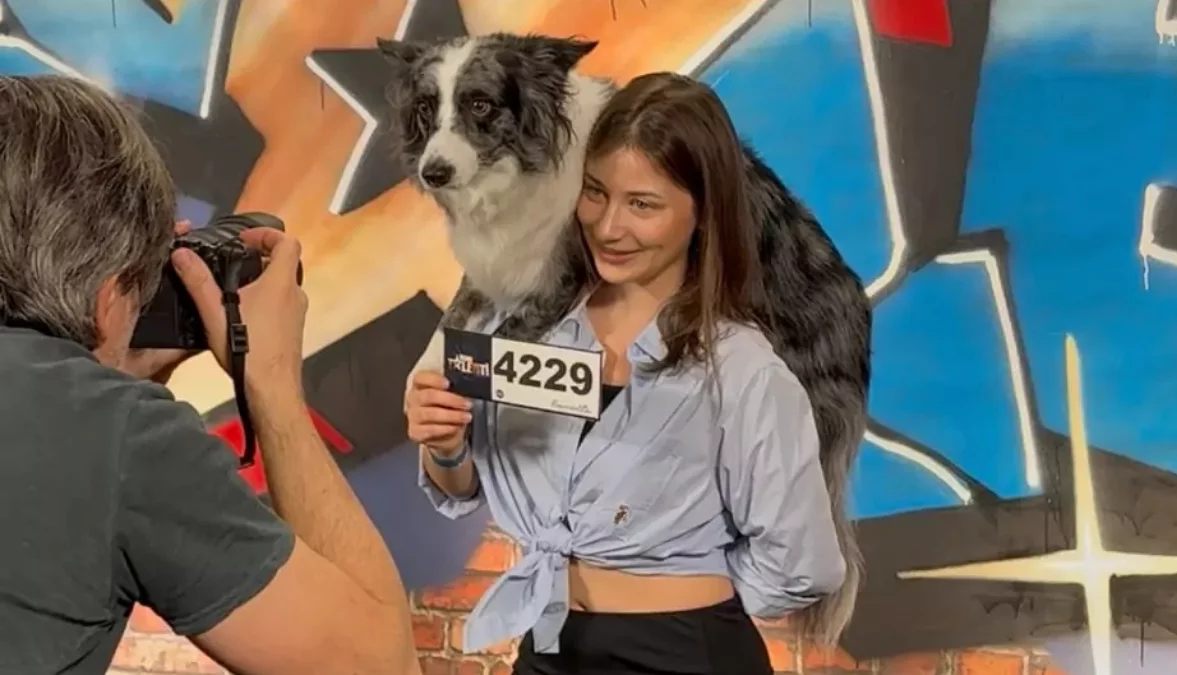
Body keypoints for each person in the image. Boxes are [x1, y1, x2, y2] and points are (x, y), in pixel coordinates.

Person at [406, 71, 849, 674]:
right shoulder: (518, 332)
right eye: (595, 193)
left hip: (686, 655)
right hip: (549, 646)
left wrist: (688, 589)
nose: (609, 227)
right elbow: (462, 491)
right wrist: (445, 446)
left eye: (642, 205)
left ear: (704, 212)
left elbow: (804, 563)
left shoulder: (742, 369)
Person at [0, 75, 421, 674]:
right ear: (109, 296)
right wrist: (271, 382)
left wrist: (117, 371)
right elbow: (381, 666)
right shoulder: (117, 433)